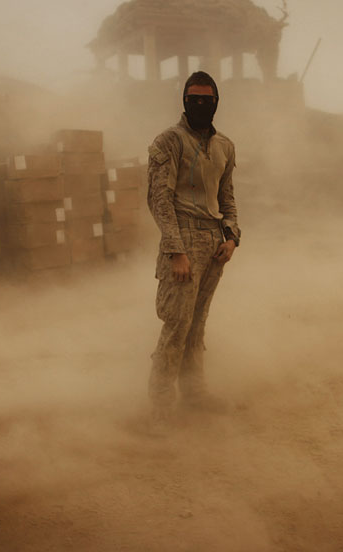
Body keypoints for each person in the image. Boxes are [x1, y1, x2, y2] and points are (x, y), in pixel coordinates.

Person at [146, 71, 241, 430]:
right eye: (193, 99)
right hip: (182, 239)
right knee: (176, 325)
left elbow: (227, 197)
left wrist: (231, 236)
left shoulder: (225, 147)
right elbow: (158, 199)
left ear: (217, 102)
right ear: (184, 101)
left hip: (214, 243)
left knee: (197, 325)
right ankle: (159, 409)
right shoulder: (169, 141)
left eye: (208, 99)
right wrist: (176, 250)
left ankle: (195, 394)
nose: (201, 105)